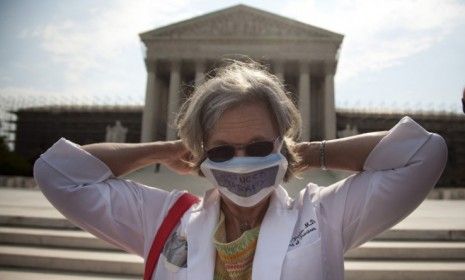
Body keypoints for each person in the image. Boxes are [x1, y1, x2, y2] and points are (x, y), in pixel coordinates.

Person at [34, 60, 447, 280]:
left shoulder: (323, 216)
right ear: (202, 157)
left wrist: (305, 152)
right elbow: (58, 172)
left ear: (281, 146)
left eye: (259, 147)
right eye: (222, 151)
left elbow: (423, 153)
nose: (243, 161)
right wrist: (163, 149)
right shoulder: (163, 221)